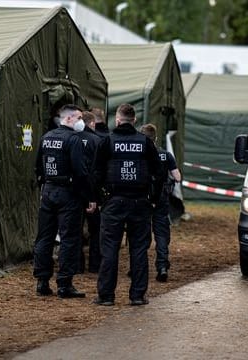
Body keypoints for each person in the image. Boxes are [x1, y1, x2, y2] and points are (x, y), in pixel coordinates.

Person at [92, 104, 164, 306]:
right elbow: (160, 174)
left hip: (114, 202)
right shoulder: (145, 142)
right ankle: (138, 295)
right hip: (140, 202)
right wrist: (153, 199)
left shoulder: (107, 141)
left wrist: (101, 199)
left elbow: (96, 174)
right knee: (139, 250)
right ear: (134, 121)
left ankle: (106, 296)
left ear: (117, 120)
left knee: (109, 250)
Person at [33, 104, 96, 298]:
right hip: (69, 193)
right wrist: (89, 197)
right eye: (78, 118)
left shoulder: (46, 137)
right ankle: (64, 284)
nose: (80, 122)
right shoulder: (74, 139)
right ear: (68, 119)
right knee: (69, 238)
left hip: (48, 191)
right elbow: (81, 171)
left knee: (44, 237)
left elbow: (38, 167)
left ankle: (42, 282)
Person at [139, 124, 181, 282]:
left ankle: (136, 267)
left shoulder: (139, 154)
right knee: (161, 233)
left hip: (142, 197)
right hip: (161, 198)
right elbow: (177, 177)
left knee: (140, 233)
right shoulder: (165, 155)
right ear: (155, 138)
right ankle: (162, 266)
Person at [77, 111, 102, 273]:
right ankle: (95, 264)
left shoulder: (72, 137)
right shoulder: (97, 140)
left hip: (75, 191)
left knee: (75, 229)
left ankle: (77, 265)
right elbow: (99, 169)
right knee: (96, 230)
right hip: (93, 191)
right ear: (92, 123)